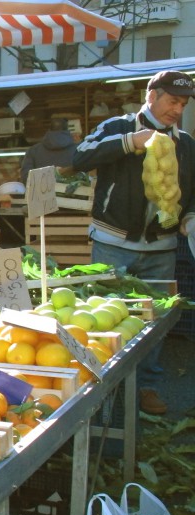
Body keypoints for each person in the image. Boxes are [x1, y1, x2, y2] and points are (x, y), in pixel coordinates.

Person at [72, 70, 195, 415]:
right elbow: (79, 158)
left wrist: (188, 217)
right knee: (106, 319)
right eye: (173, 101)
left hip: (162, 248)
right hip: (113, 243)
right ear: (152, 95)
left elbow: (193, 192)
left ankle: (146, 388)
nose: (178, 109)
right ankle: (105, 391)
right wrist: (131, 142)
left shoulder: (185, 144)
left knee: (153, 322)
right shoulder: (117, 128)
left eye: (183, 104)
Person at [20, 118, 77, 183]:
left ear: (49, 130)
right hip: (72, 192)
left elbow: (26, 178)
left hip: (41, 192)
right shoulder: (79, 150)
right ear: (67, 131)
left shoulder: (34, 150)